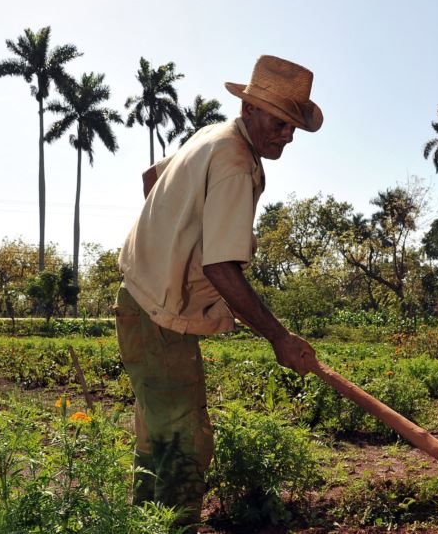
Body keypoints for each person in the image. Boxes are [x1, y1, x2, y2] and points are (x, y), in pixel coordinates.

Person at [114, 54, 323, 529]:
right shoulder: (234, 161)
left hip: (138, 301)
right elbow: (222, 268)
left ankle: (141, 525)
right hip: (161, 317)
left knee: (156, 440)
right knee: (186, 447)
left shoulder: (211, 135)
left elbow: (152, 179)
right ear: (250, 110)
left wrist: (170, 238)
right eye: (279, 121)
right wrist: (279, 337)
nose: (287, 135)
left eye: (293, 126)